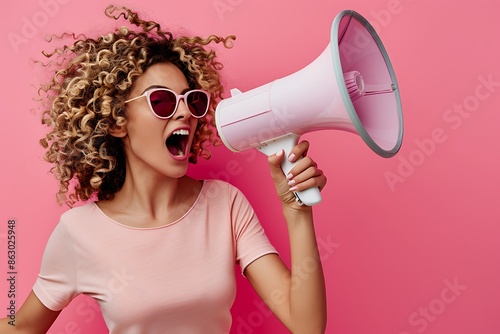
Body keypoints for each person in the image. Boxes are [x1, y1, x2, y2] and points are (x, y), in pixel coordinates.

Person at [0, 5, 327, 334]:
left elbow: (306, 326)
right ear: (117, 122)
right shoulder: (78, 233)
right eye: (162, 101)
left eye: (193, 100)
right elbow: (22, 327)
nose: (185, 112)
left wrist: (296, 210)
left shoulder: (225, 205)